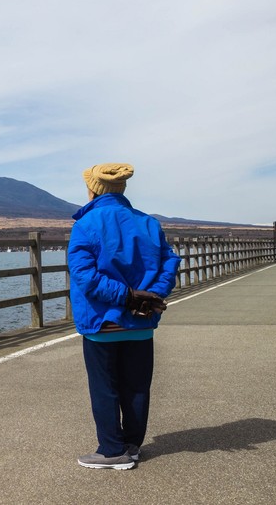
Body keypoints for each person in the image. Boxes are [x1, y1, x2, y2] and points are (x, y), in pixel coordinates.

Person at [68, 163, 180, 470]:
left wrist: (125, 297)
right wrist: (148, 296)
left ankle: (111, 450)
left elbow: (85, 277)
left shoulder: (86, 225)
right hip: (141, 322)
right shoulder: (148, 224)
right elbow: (170, 263)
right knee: (137, 386)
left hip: (102, 322)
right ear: (122, 189)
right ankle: (131, 445)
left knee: (105, 387)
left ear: (92, 189)